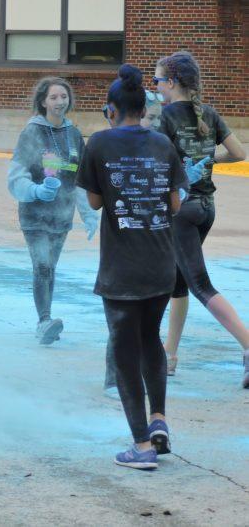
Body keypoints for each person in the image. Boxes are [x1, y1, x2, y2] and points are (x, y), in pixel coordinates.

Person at [76, 65, 187, 471]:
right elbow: (175, 205)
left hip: (121, 269)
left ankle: (141, 445)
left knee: (124, 352)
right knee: (151, 341)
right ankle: (159, 419)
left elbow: (93, 203)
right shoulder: (162, 144)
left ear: (111, 109)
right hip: (161, 263)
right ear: (145, 107)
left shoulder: (100, 143)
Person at [154, 51, 249, 388]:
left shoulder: (165, 118)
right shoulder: (208, 113)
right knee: (178, 282)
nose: (156, 88)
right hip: (206, 207)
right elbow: (240, 153)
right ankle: (170, 355)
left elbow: (159, 164)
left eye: (158, 81)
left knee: (199, 285)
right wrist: (208, 160)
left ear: (173, 82)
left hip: (181, 210)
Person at [8, 77, 98, 345]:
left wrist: (89, 214)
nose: (60, 102)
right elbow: (16, 176)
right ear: (43, 102)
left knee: (51, 267)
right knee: (42, 265)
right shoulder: (31, 132)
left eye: (63, 96)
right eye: (54, 97)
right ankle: (44, 321)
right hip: (34, 214)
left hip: (62, 214)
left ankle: (45, 319)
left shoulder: (73, 134)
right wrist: (35, 190)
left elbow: (80, 180)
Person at [104, 85, 167, 397]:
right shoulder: (113, 147)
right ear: (139, 113)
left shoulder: (158, 146)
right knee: (123, 323)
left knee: (140, 326)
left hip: (151, 248)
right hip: (125, 252)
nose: (153, 123)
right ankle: (114, 377)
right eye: (150, 117)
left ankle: (132, 380)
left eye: (158, 118)